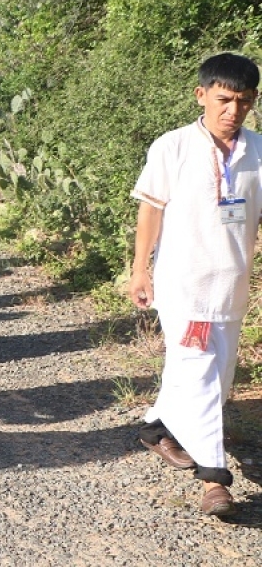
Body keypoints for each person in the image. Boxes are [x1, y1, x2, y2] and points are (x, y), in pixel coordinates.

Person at [127, 53, 262, 517]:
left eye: (243, 102)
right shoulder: (173, 146)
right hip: (183, 285)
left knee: (215, 378)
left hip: (231, 285)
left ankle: (155, 425)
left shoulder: (259, 151)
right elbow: (151, 209)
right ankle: (215, 480)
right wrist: (140, 269)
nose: (232, 110)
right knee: (200, 372)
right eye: (223, 99)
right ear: (201, 95)